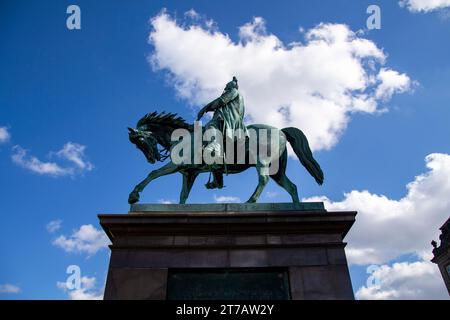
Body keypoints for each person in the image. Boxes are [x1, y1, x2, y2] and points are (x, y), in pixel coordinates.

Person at [196, 76, 248, 189]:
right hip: (229, 118)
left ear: (231, 86)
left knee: (210, 126)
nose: (225, 88)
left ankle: (216, 146)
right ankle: (217, 180)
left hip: (228, 119)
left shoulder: (234, 91)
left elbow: (221, 101)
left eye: (226, 87)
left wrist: (204, 108)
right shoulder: (236, 94)